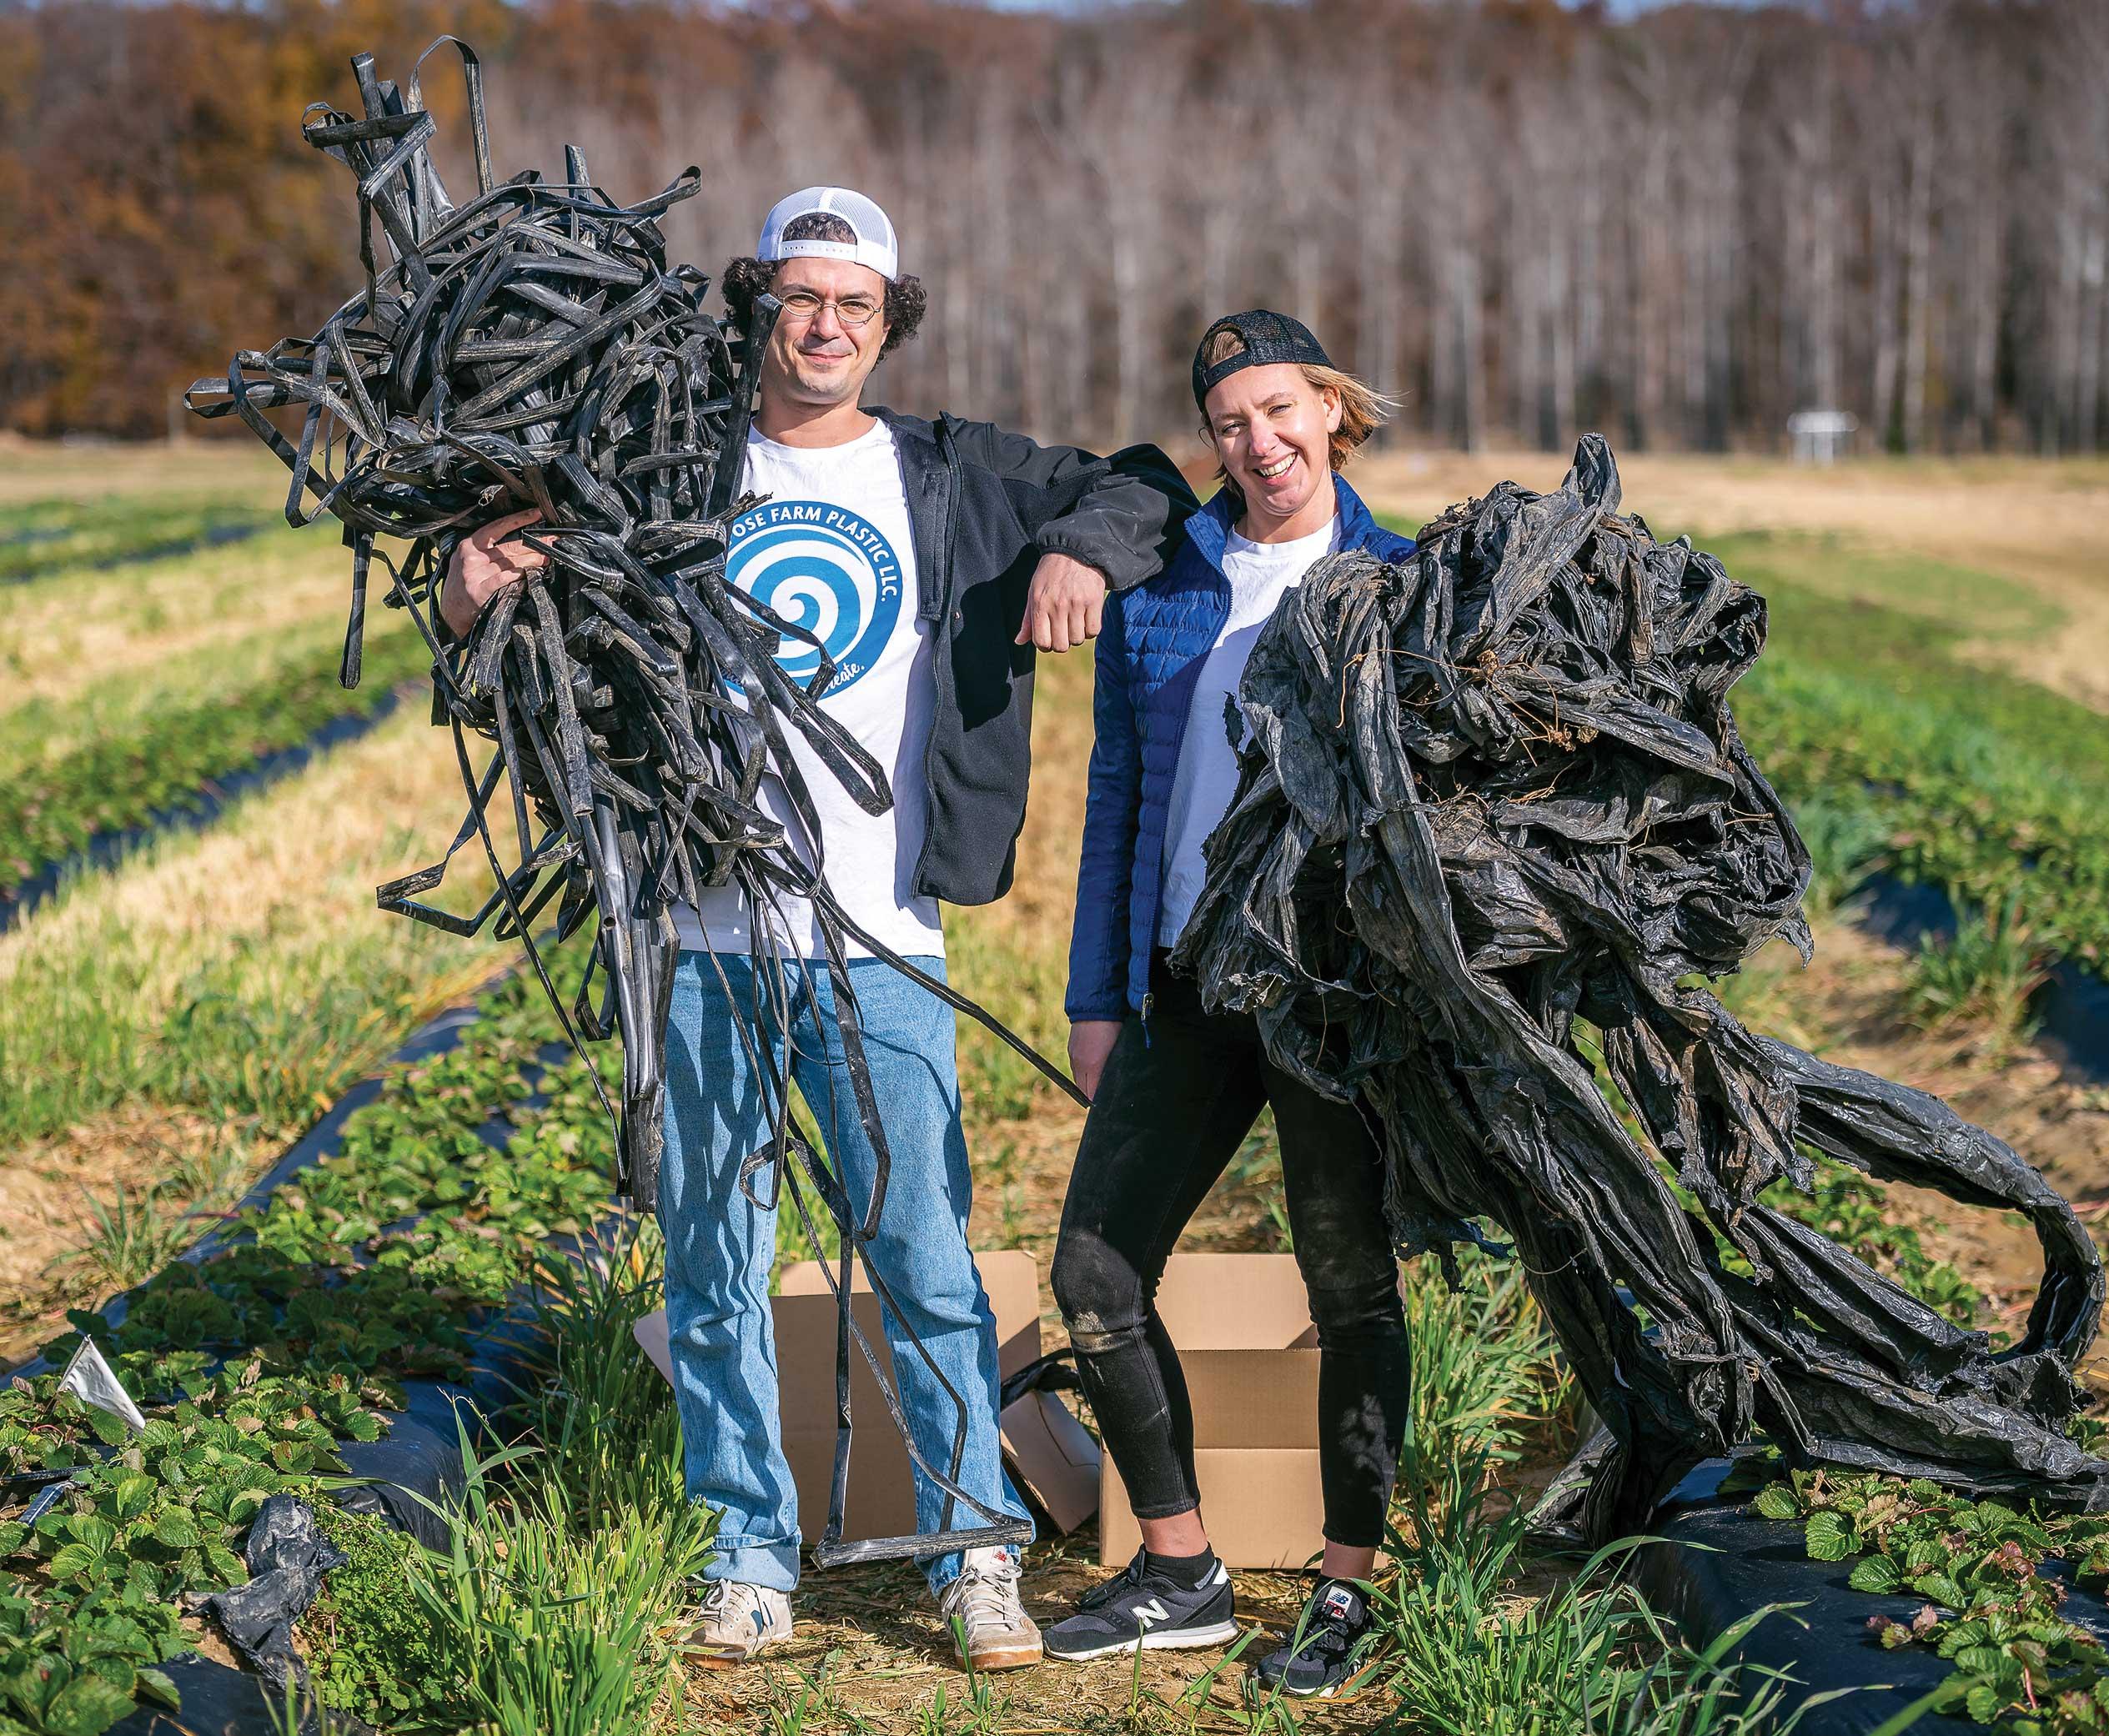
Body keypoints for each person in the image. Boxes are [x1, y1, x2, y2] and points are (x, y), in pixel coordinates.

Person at [439, 187, 1188, 1672]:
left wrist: (1080, 554)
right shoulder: (662, 463)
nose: (825, 323)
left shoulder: (952, 473)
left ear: (888, 319)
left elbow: (1149, 483)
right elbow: (507, 612)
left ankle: (977, 1548)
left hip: (881, 936)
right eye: (799, 296)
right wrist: (468, 600)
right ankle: (746, 1554)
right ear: (758, 307)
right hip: (697, 933)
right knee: (709, 1257)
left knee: (922, 1250)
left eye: (854, 301)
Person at [1046, 311, 1414, 1698]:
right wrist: (1098, 991)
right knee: (1094, 1271)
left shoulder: (1403, 579)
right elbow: (1119, 799)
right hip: (1188, 977)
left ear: (1332, 408)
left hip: (1335, 996)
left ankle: (1345, 1583)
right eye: (1229, 422)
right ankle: (1182, 1569)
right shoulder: (1168, 580)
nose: (1257, 443)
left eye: (1280, 410)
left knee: (1350, 1284)